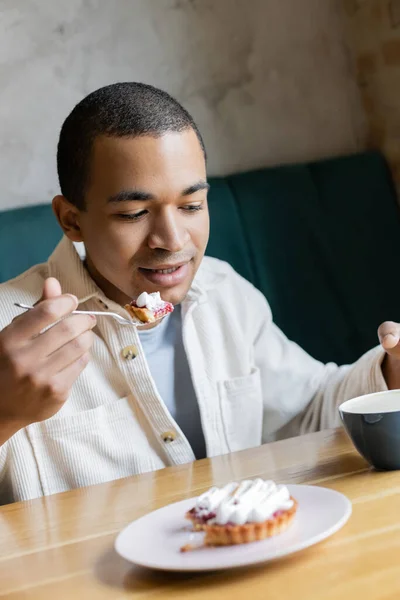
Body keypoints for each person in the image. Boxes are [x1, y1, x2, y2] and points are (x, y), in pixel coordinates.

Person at [0, 82, 399, 504]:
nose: (172, 240)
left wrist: (391, 374)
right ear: (71, 220)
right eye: (134, 213)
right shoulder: (9, 332)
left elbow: (311, 408)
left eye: (192, 206)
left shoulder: (222, 291)